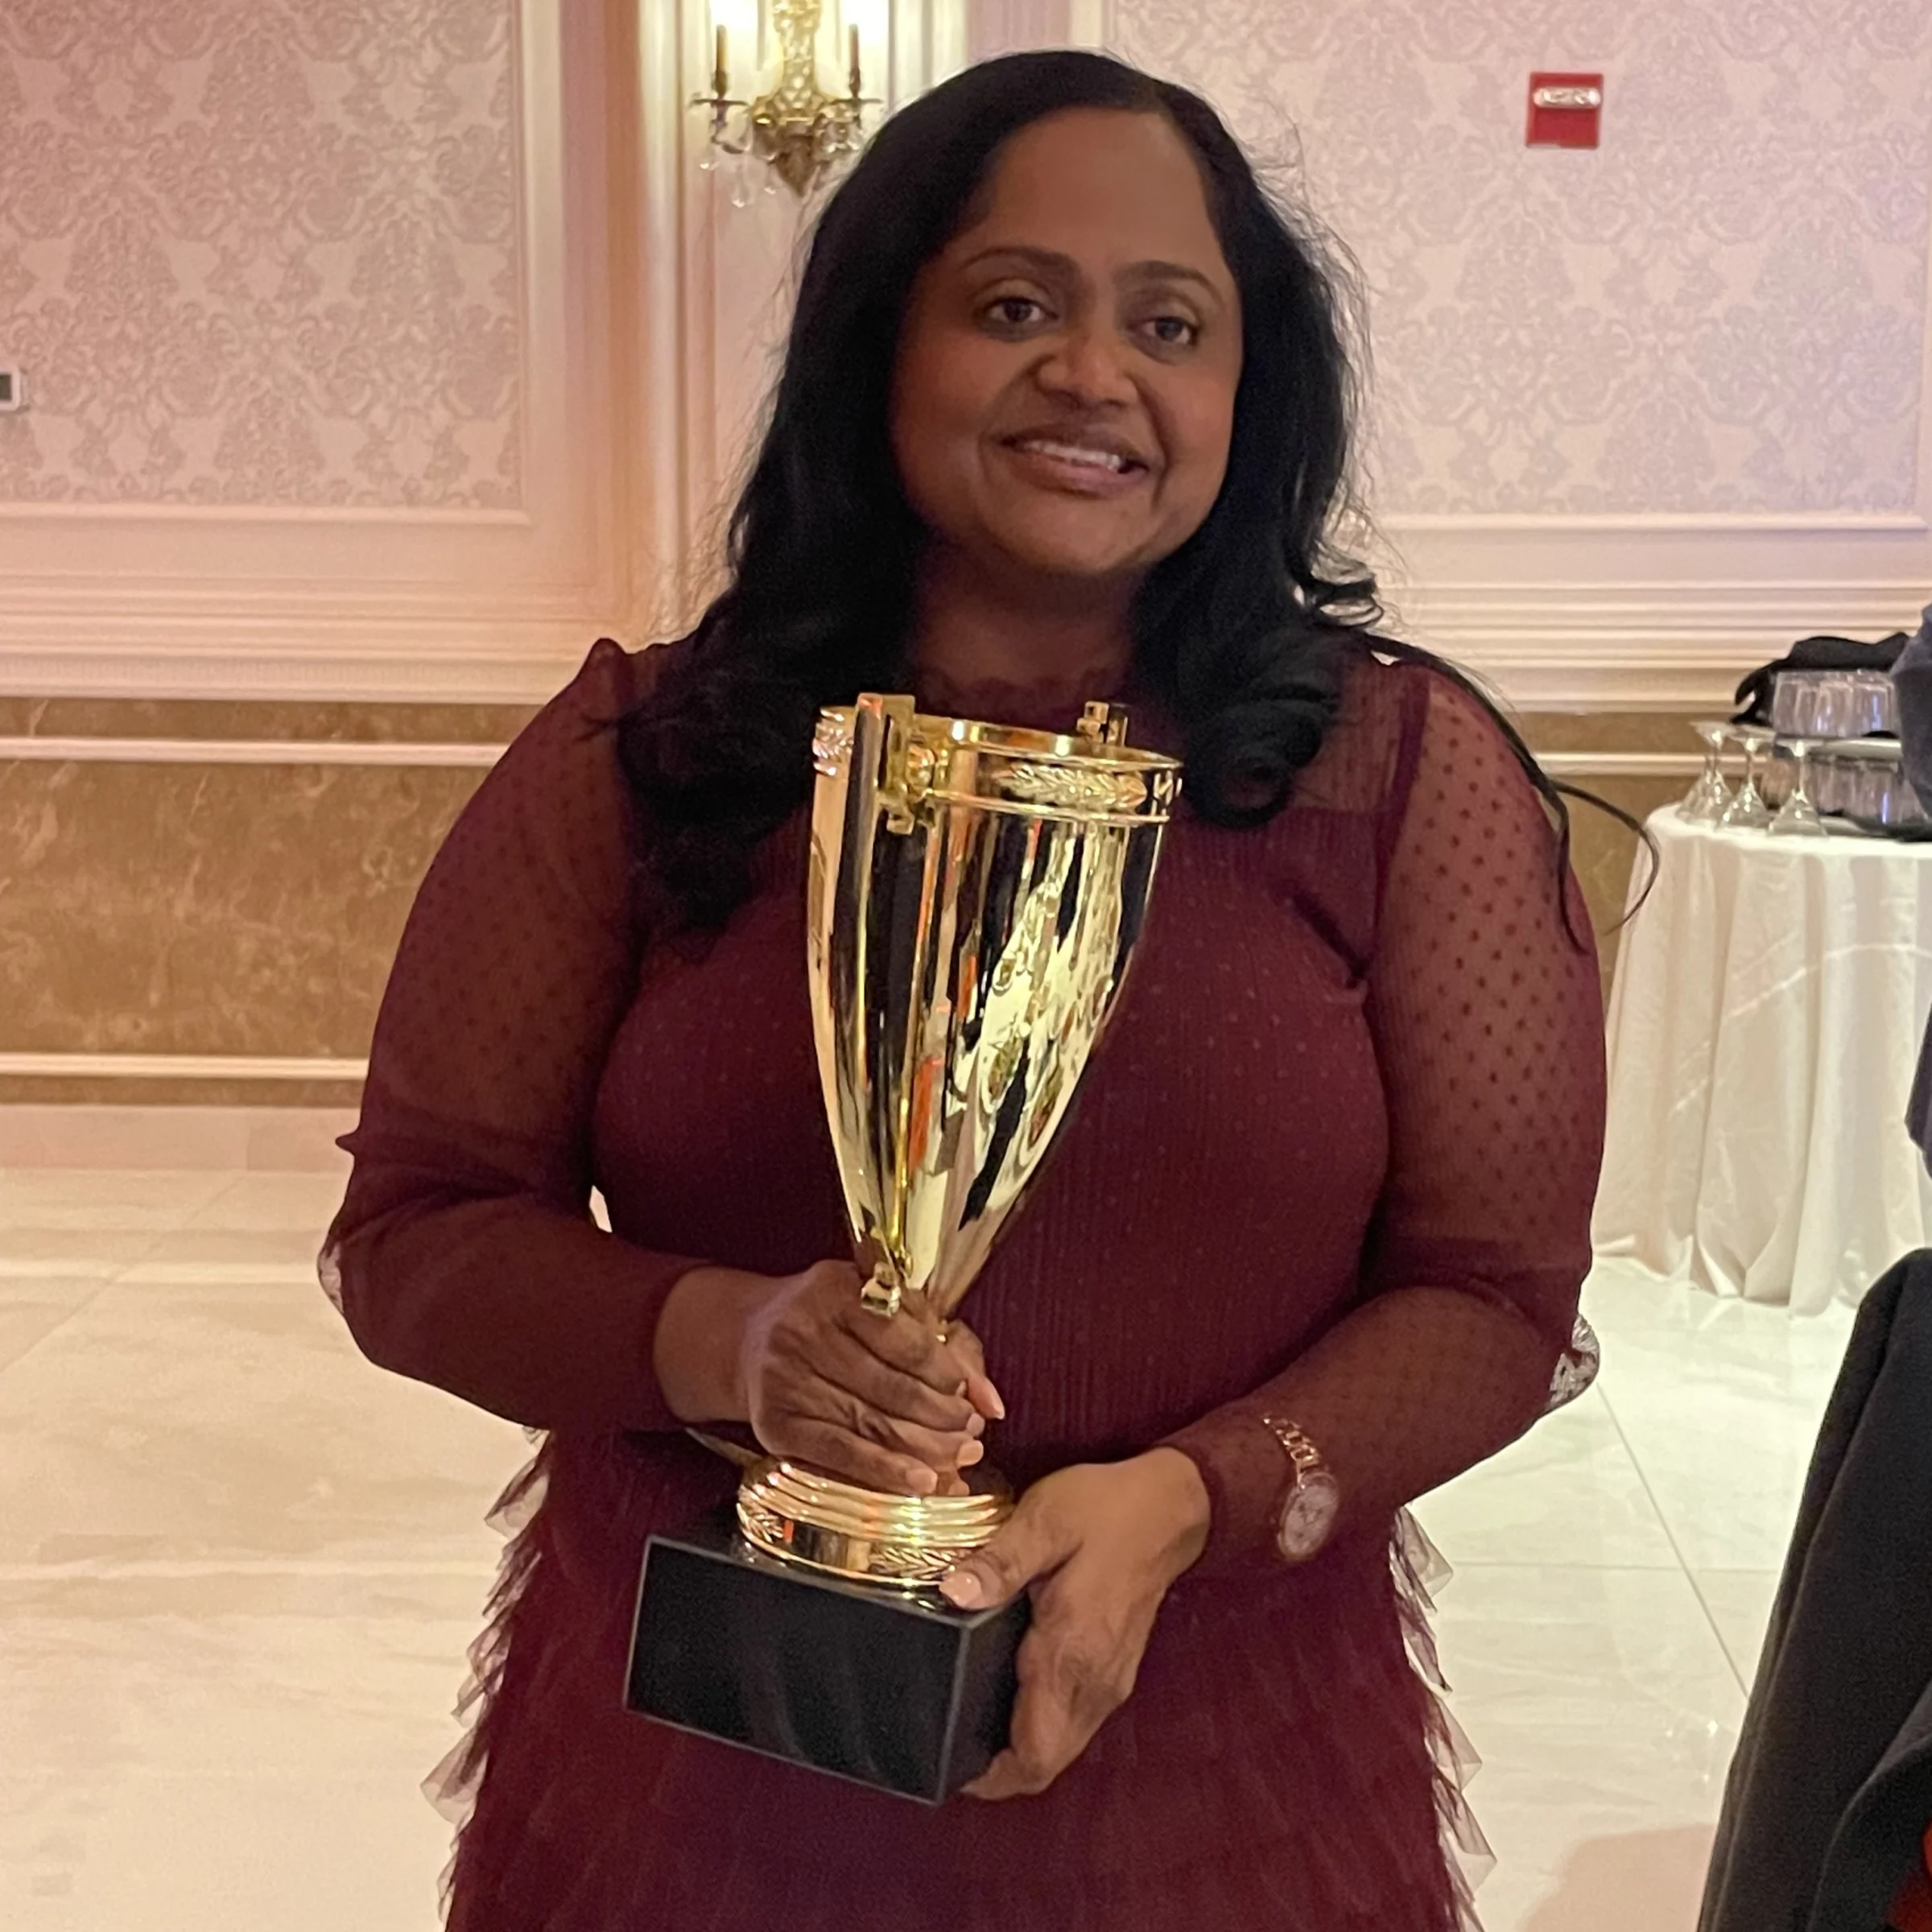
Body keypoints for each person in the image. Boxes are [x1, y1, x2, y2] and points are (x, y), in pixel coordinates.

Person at [323, 50, 1606, 1932]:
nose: (1094, 375)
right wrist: (732, 1343)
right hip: (712, 1768)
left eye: (1169, 322)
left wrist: (1194, 1497)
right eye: (1014, 305)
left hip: (1216, 1766)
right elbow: (419, 1236)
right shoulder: (651, 754)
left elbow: (1499, 1296)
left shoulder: (1393, 779)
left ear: (1247, 395)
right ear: (879, 347)